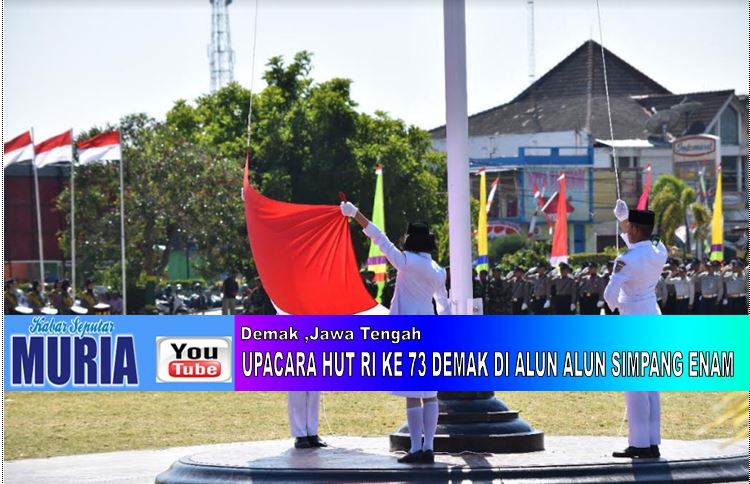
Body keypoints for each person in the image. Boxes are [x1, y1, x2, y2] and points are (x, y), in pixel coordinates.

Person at [342, 200, 449, 464]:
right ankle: (429, 447)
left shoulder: (405, 262)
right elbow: (444, 303)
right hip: (431, 329)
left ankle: (415, 448)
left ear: (410, 241)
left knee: (413, 393)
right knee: (431, 393)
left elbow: (379, 237)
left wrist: (356, 213)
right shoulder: (439, 270)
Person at [605, 199, 668, 459]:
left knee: (635, 386)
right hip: (652, 317)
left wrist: (617, 305)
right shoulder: (658, 252)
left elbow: (610, 295)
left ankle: (639, 444)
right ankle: (651, 442)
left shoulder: (625, 259)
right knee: (651, 385)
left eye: (629, 226)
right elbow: (638, 248)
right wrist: (624, 221)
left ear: (635, 229)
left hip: (633, 321)